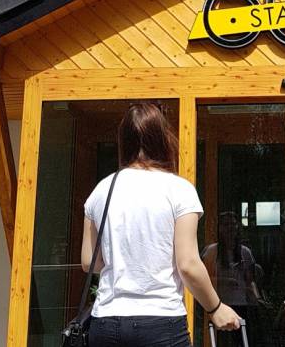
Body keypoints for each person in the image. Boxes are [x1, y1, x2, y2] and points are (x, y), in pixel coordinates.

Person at [81, 102, 241, 346]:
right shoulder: (179, 189)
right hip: (160, 321)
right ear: (163, 139)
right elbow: (187, 264)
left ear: (124, 141)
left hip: (106, 321)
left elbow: (89, 261)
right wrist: (215, 307)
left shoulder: (102, 190)